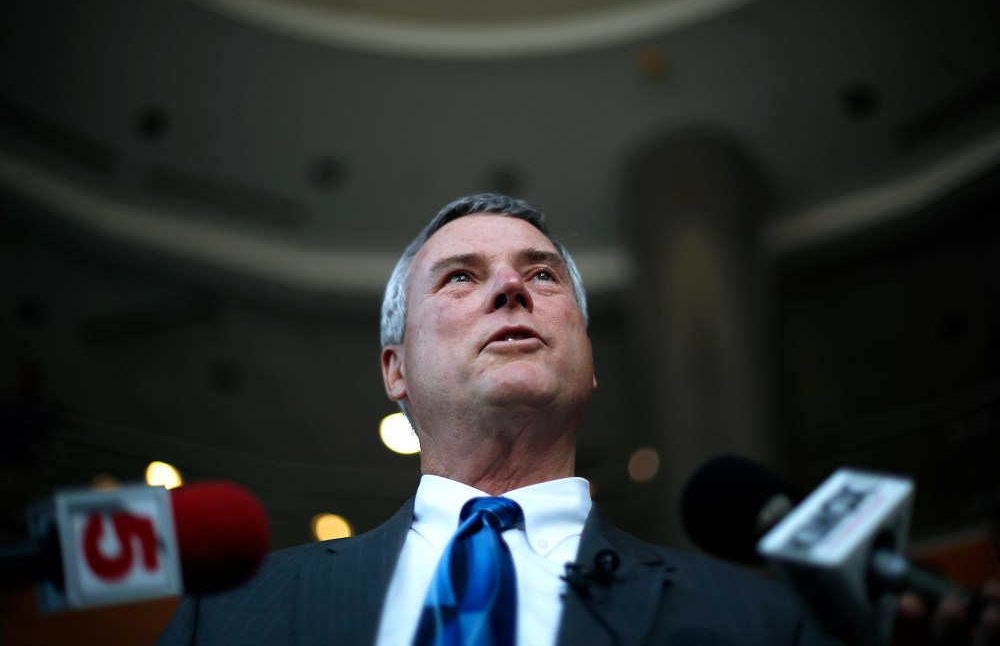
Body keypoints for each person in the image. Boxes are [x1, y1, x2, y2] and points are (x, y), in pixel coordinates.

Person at [159, 194, 997, 645]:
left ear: (587, 361)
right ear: (397, 369)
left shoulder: (763, 624)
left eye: (543, 275)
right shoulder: (232, 614)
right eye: (460, 277)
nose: (510, 288)